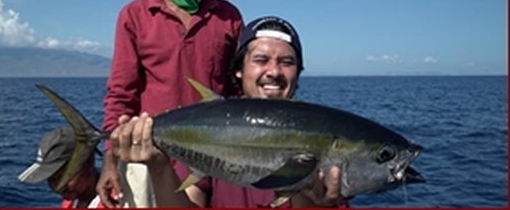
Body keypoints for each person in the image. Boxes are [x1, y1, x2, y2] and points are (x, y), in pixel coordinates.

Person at [107, 16, 346, 208]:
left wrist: (318, 204)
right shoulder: (213, 128)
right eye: (261, 59)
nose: (274, 71)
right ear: (240, 70)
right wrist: (159, 167)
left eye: (287, 62)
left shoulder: (324, 132)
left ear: (298, 72)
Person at [95, 0, 242, 207]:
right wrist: (110, 160)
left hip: (211, 160)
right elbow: (121, 93)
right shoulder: (134, 15)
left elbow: (238, 94)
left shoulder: (229, 16)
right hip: (146, 157)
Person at [19, 126, 104, 208]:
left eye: (62, 177)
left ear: (88, 162)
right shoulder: (73, 200)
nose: (58, 187)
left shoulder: (113, 202)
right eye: (51, 179)